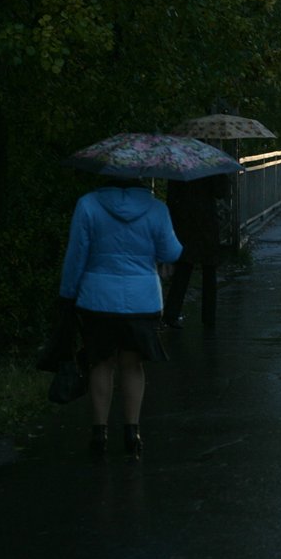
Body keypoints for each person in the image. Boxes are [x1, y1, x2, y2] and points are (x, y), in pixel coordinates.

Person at [59, 177, 183, 459]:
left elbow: (77, 254)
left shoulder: (88, 205)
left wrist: (67, 292)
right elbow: (171, 252)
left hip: (97, 299)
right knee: (132, 364)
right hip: (142, 301)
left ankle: (99, 433)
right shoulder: (156, 209)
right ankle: (132, 433)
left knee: (100, 363)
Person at [163, 174, 228, 329]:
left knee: (183, 269)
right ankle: (209, 317)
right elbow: (220, 192)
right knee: (209, 271)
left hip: (185, 223)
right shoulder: (211, 167)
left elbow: (171, 198)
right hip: (207, 223)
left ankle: (172, 314)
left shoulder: (179, 168)